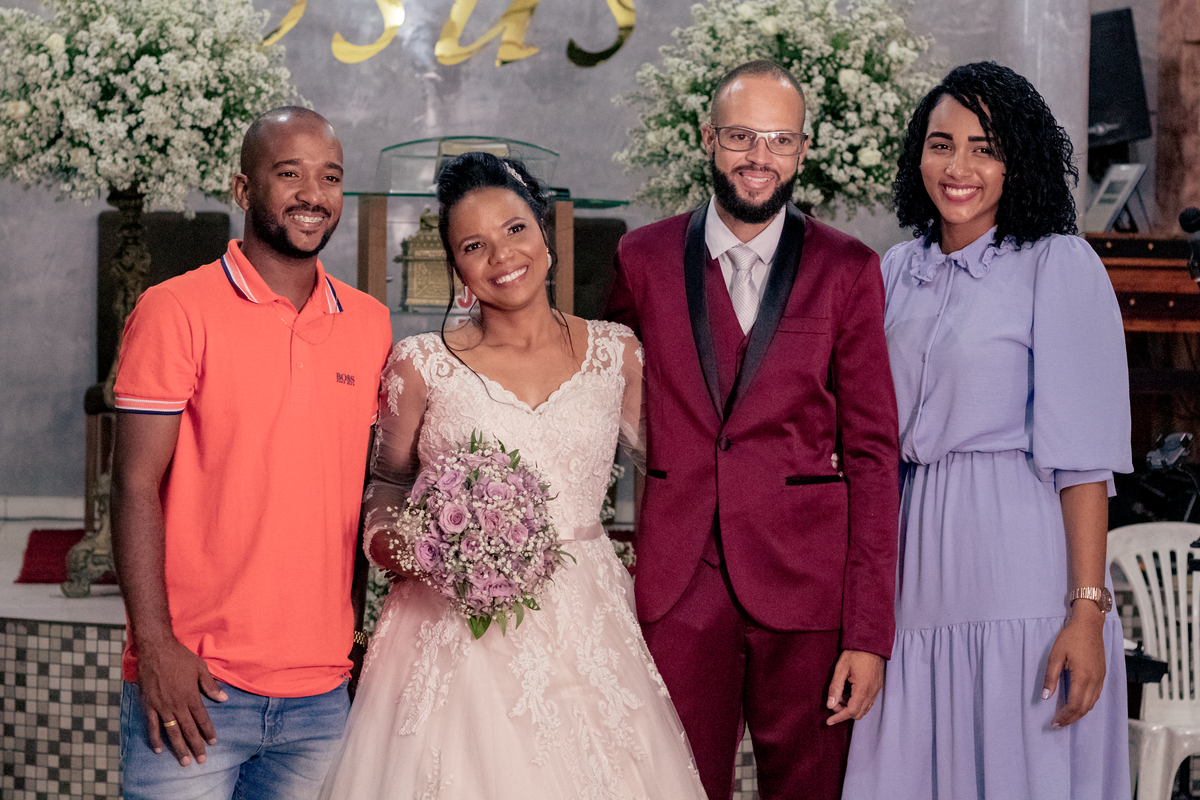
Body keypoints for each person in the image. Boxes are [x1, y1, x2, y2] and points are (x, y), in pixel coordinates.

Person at [317, 151, 708, 799]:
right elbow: (385, 485)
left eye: (515, 229)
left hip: (587, 622)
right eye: (474, 245)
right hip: (447, 627)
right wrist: (413, 549)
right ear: (458, 270)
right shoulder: (421, 363)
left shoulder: (617, 352)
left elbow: (682, 473)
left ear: (545, 236)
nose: (502, 255)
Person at [605, 59, 901, 799]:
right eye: (740, 136)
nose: (758, 157)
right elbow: (600, 403)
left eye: (779, 140)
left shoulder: (848, 268)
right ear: (708, 138)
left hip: (809, 589)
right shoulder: (640, 259)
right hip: (679, 582)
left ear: (803, 149)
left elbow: (873, 455)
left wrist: (869, 634)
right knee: (672, 787)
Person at [841, 62, 1133, 799]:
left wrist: (1086, 612)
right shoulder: (895, 270)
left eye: (985, 148)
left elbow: (1084, 463)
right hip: (911, 558)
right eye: (942, 144)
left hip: (1019, 561)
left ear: (1017, 161)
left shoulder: (1057, 264)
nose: (959, 168)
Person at [110, 107, 393, 800]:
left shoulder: (370, 323)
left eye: (330, 177)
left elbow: (359, 491)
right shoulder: (174, 310)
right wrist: (156, 647)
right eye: (289, 174)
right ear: (243, 189)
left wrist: (355, 642)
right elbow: (133, 486)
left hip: (320, 696)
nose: (313, 195)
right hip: (197, 685)